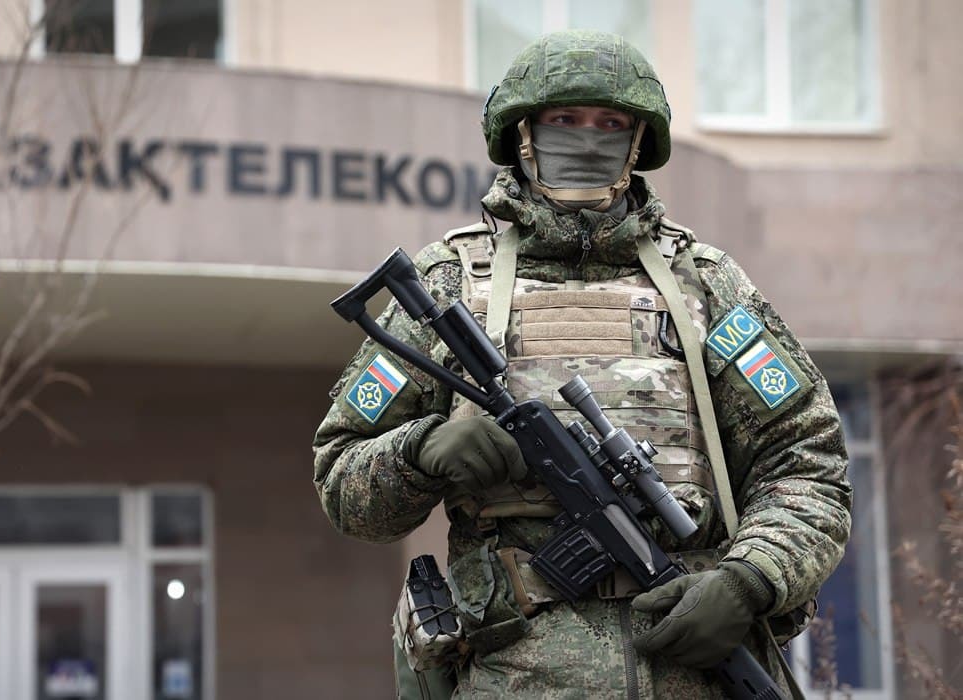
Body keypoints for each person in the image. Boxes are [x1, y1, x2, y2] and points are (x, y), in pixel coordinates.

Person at [313, 30, 851, 698]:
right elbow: (344, 483)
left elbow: (807, 465)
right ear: (522, 134)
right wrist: (422, 449)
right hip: (517, 678)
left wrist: (750, 580)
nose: (587, 138)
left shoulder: (706, 287)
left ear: (636, 144)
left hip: (694, 669)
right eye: (564, 120)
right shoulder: (446, 285)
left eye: (611, 124)